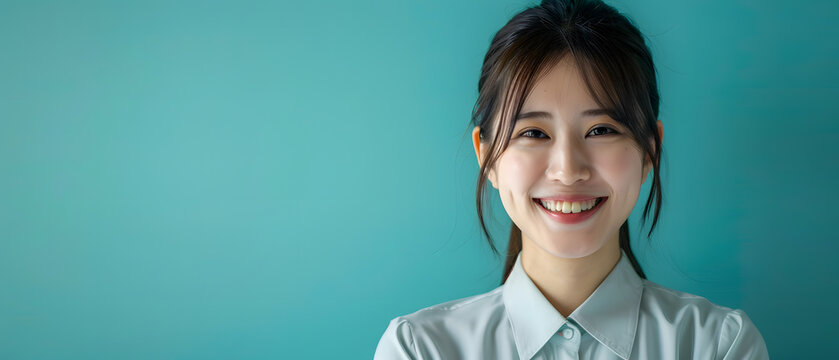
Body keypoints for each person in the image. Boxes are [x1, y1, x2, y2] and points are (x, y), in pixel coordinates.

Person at [374, 0, 769, 358]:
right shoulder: (420, 349)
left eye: (601, 130)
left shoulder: (717, 345)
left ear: (650, 151)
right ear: (486, 157)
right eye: (533, 133)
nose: (567, 170)